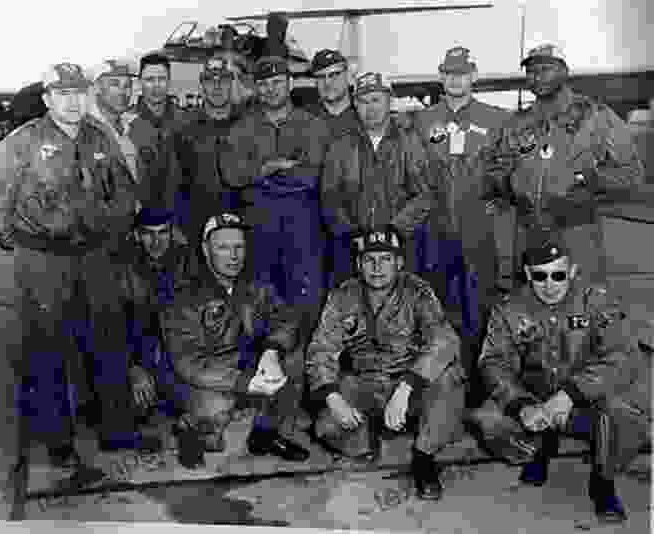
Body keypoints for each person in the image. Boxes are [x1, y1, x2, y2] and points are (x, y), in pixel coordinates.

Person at [0, 63, 154, 467]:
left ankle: (115, 428)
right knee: (47, 348)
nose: (73, 101)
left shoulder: (99, 137)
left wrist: (108, 228)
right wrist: (24, 244)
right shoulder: (24, 141)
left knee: (107, 340)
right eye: (63, 94)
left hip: (95, 256)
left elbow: (125, 194)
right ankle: (57, 439)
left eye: (78, 93)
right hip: (44, 259)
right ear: (47, 99)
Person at [469, 232, 651, 523]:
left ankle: (603, 482)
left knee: (623, 413)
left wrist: (571, 394)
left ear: (573, 271)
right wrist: (521, 405)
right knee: (488, 420)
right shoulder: (508, 308)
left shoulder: (597, 301)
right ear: (528, 274)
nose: (550, 285)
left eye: (558, 275)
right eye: (540, 276)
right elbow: (493, 363)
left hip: (587, 401)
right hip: (536, 400)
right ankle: (539, 449)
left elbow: (623, 356)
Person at [307, 227, 465, 500]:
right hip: (367, 383)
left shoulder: (417, 292)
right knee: (327, 426)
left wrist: (406, 388)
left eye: (386, 259)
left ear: (399, 263)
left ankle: (423, 457)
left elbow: (445, 341)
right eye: (370, 260)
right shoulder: (343, 295)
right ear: (358, 264)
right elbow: (321, 349)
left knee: (449, 377)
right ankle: (365, 442)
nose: (377, 268)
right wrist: (333, 398)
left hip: (411, 386)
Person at [483, 44, 644, 287]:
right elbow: (494, 174)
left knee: (582, 309)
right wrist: (509, 181)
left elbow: (632, 175)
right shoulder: (516, 123)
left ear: (564, 71)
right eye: (530, 71)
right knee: (531, 311)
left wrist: (585, 178)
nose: (536, 77)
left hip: (577, 232)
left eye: (545, 69)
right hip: (530, 235)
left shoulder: (597, 117)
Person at [162, 213, 310, 468]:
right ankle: (190, 427)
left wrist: (272, 351)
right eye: (223, 248)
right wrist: (245, 382)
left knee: (294, 361)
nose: (234, 256)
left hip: (248, 363)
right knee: (212, 425)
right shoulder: (184, 296)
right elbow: (187, 362)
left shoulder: (257, 285)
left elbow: (287, 320)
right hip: (207, 375)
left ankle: (266, 434)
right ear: (206, 251)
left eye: (239, 247)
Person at [409, 46, 514, 406]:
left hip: (478, 232)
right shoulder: (421, 120)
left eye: (463, 72)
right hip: (434, 233)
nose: (456, 79)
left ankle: (475, 389)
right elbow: (413, 174)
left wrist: (496, 186)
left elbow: (508, 171)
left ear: (474, 76)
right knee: (435, 312)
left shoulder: (497, 119)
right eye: (449, 73)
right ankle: (437, 387)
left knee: (478, 312)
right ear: (441, 77)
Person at [220, 52, 331, 338]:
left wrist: (259, 180)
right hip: (260, 229)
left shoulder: (313, 125)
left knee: (306, 304)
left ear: (290, 83)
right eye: (264, 83)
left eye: (278, 82)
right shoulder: (242, 128)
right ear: (256, 87)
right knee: (261, 304)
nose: (271, 89)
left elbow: (312, 177)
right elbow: (231, 174)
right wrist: (267, 168)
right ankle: (266, 373)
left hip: (302, 228)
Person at [322, 71, 449, 287]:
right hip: (355, 250)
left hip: (402, 249)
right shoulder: (341, 146)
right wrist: (352, 233)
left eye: (376, 100)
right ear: (354, 104)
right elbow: (329, 198)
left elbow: (425, 195)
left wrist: (394, 230)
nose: (370, 108)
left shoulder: (410, 140)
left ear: (389, 100)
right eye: (363, 101)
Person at [117, 207, 196, 426]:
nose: (156, 241)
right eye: (148, 233)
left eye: (162, 233)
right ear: (136, 235)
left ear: (173, 233)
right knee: (131, 412)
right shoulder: (123, 269)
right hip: (140, 353)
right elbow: (114, 328)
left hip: (178, 354)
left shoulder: (187, 263)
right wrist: (132, 368)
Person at [176, 57, 243, 245]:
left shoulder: (249, 125)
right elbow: (174, 182)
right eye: (209, 81)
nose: (217, 86)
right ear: (201, 86)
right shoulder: (184, 129)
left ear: (231, 83)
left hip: (243, 227)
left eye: (222, 80)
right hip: (197, 228)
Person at [127, 53, 190, 212]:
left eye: (161, 79)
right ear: (140, 82)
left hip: (179, 214)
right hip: (140, 216)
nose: (156, 86)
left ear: (169, 81)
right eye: (149, 80)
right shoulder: (126, 124)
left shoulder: (186, 121)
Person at [87, 59, 139, 183]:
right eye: (114, 84)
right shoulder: (84, 128)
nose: (122, 92)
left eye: (127, 86)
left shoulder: (133, 125)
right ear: (97, 88)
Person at [306, 49, 361, 138]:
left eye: (334, 74)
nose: (327, 82)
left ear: (348, 75)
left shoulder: (364, 114)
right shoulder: (304, 117)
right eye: (321, 77)